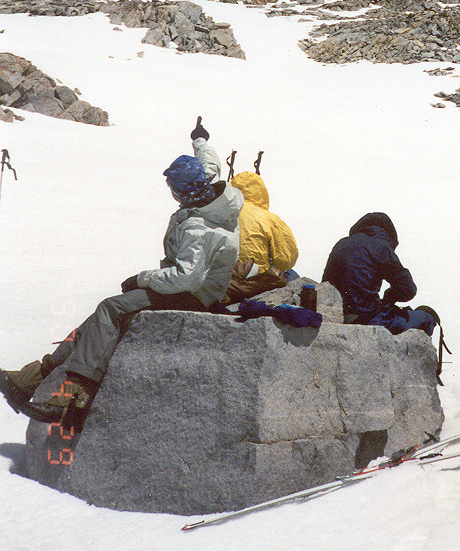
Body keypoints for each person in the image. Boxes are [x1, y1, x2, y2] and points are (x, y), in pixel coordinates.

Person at [0, 121, 243, 425]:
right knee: (99, 320)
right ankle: (32, 378)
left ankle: (71, 398)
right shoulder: (211, 192)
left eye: (173, 191)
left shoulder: (200, 227)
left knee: (110, 308)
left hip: (194, 296)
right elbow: (209, 162)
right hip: (189, 287)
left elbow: (187, 277)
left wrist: (142, 279)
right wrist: (200, 139)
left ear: (183, 192)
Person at [322, 212, 437, 335]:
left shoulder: (341, 243)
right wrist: (388, 298)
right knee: (426, 317)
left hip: (334, 315)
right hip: (366, 318)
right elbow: (408, 289)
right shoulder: (380, 246)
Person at [218, 169, 299, 306]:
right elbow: (286, 259)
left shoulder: (219, 213)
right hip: (255, 282)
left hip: (223, 282)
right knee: (292, 275)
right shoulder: (269, 219)